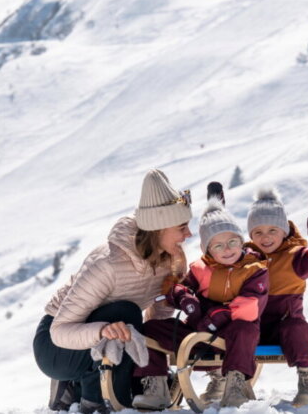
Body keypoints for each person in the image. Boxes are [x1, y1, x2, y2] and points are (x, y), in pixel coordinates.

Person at [33, 168, 193, 414]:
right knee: (125, 312)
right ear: (160, 228)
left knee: (131, 327)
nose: (188, 234)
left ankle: (85, 386)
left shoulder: (172, 260)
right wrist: (101, 331)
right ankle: (96, 400)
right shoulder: (107, 264)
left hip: (111, 332)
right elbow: (59, 332)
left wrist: (153, 366)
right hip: (57, 346)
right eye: (182, 227)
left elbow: (158, 317)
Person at [137, 185, 269, 410]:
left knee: (245, 329)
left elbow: (251, 305)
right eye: (218, 245)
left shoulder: (254, 268)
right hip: (198, 335)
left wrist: (220, 314)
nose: (227, 249)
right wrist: (185, 298)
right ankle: (155, 385)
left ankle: (236, 385)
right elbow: (177, 290)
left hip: (232, 339)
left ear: (242, 241)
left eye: (233, 242)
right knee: (151, 328)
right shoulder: (200, 268)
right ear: (208, 250)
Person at [246, 184, 308, 406]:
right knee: (234, 329)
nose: (265, 238)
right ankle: (232, 381)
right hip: (253, 327)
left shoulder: (294, 257)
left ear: (284, 231)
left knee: (297, 328)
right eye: (258, 232)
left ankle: (306, 379)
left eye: (272, 231)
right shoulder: (245, 259)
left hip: (285, 327)